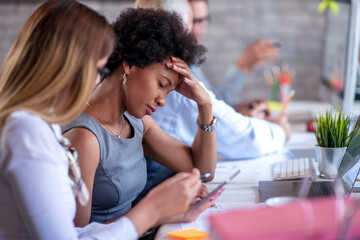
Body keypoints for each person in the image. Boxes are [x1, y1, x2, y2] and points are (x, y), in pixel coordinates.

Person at [0, 1, 209, 239]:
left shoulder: (41, 125)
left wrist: (160, 214)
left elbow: (75, 232)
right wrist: (151, 210)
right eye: (98, 71)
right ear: (67, 63)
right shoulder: (27, 130)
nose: (97, 82)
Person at [62, 8, 218, 232]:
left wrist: (205, 105)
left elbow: (202, 171)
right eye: (162, 85)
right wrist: (156, 211)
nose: (163, 101)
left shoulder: (134, 121)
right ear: (130, 64)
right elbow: (79, 232)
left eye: (169, 92)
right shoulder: (85, 138)